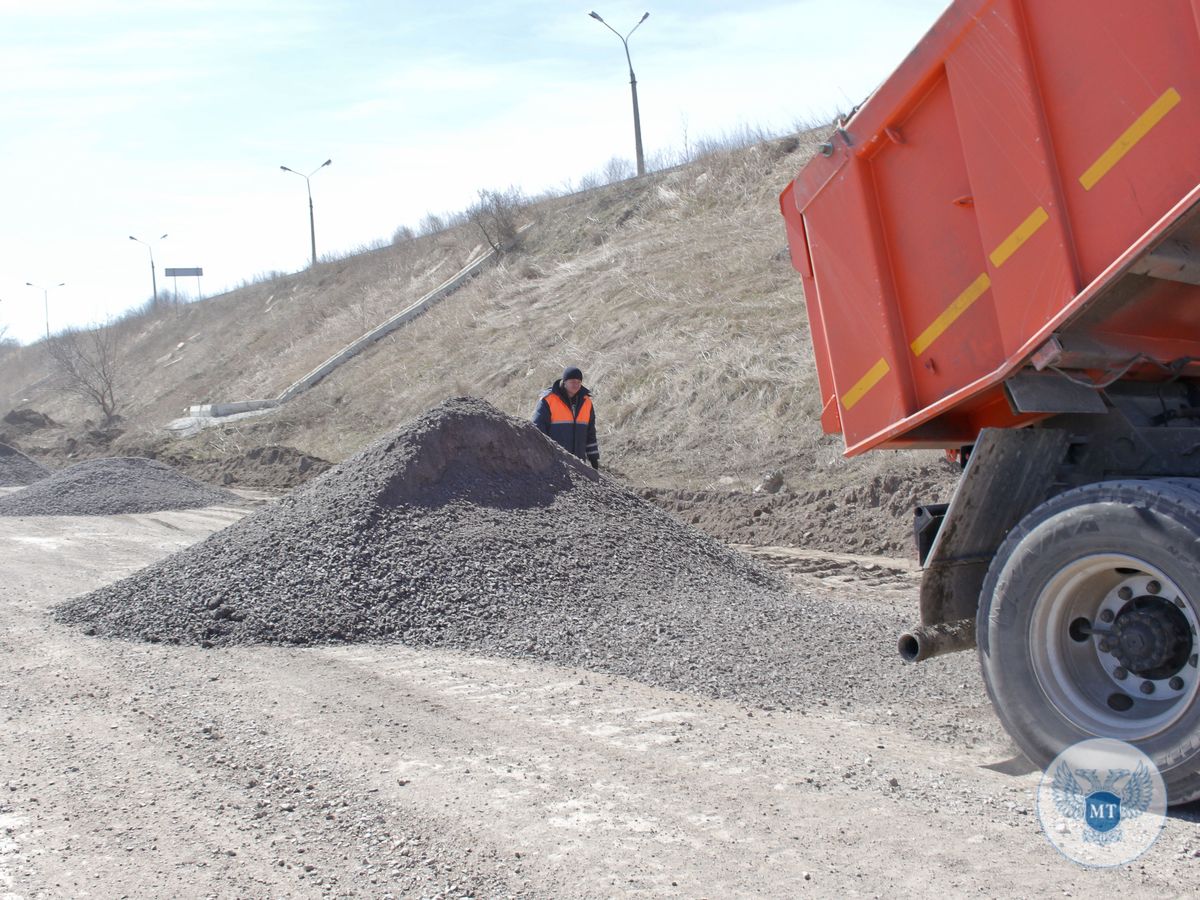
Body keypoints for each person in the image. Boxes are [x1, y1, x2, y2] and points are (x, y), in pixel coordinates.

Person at [533, 366, 600, 469]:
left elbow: (590, 433)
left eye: (579, 382)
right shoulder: (548, 400)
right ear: (564, 382)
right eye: (573, 381)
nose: (576, 385)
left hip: (579, 464)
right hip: (555, 462)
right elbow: (537, 429)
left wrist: (594, 459)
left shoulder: (587, 402)